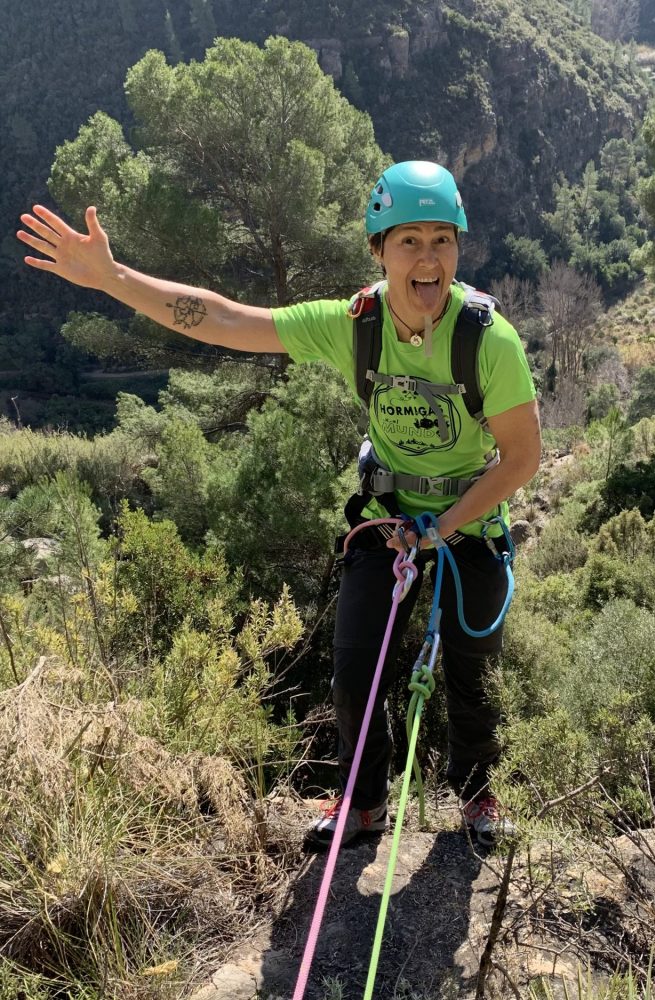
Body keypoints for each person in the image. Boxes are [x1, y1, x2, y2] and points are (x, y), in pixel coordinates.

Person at [17, 160, 540, 848]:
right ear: (379, 250)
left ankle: (476, 798)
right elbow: (229, 319)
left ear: (458, 250)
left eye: (441, 239)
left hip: (471, 521)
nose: (427, 258)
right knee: (355, 672)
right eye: (408, 240)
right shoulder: (353, 326)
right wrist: (116, 280)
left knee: (473, 676)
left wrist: (443, 527)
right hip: (388, 523)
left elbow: (521, 460)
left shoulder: (486, 340)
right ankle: (364, 802)